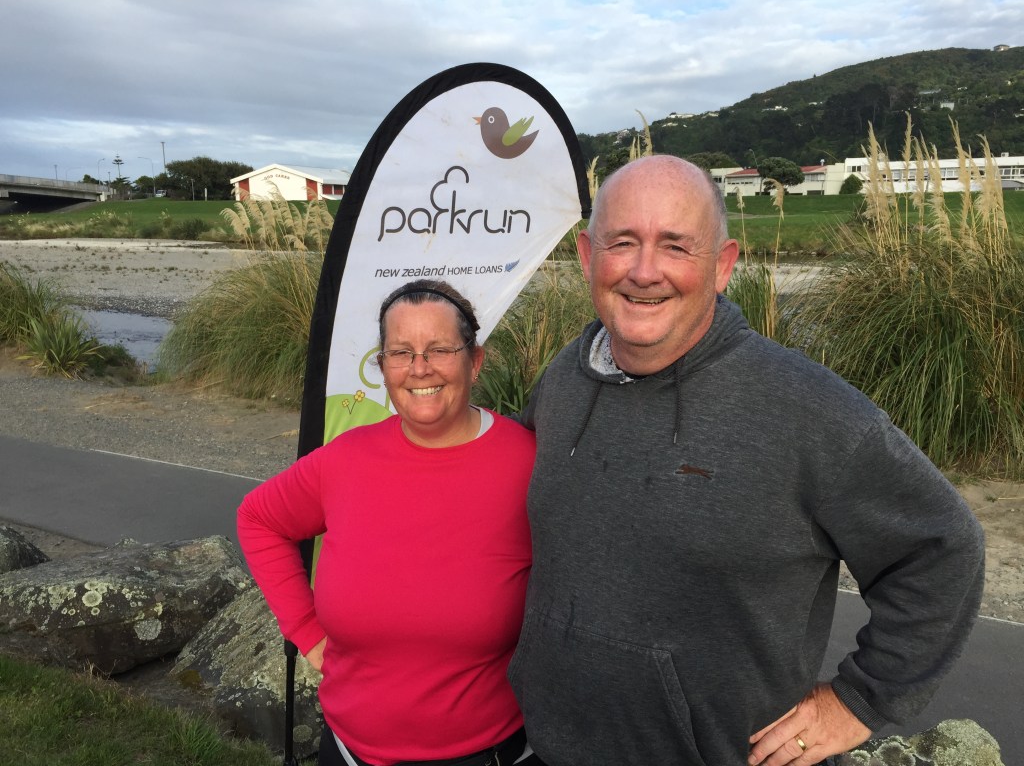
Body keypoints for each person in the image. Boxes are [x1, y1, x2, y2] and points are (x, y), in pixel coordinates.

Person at [507, 156, 986, 766]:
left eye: (676, 246)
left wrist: (859, 701)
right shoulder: (562, 382)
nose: (644, 271)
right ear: (585, 256)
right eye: (622, 242)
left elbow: (943, 549)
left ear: (724, 265)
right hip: (554, 750)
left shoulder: (805, 409)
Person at [238, 279, 543, 766]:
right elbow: (258, 518)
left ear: (476, 360)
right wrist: (306, 631)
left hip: (488, 755)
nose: (419, 368)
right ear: (382, 368)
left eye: (439, 349)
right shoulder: (344, 461)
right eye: (400, 352)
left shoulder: (528, 464)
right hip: (347, 754)